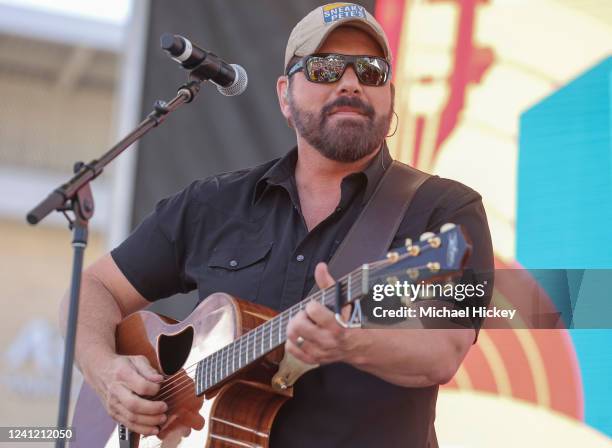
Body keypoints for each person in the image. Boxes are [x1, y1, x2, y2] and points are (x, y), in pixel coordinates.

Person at [60, 3, 494, 447]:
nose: (350, 82)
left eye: (370, 70)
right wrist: (106, 371)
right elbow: (92, 289)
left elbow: (444, 351)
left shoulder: (444, 212)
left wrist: (350, 344)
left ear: (391, 95)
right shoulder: (212, 204)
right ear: (285, 95)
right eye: (325, 68)